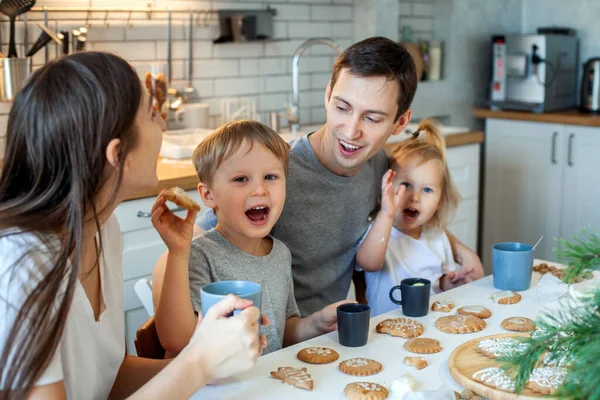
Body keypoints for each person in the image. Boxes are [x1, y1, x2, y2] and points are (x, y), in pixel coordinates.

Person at [153, 36, 484, 318]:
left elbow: (408, 208)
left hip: (334, 332)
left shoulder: (380, 167)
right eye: (342, 107)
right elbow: (191, 247)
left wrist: (460, 249)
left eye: (372, 118)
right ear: (328, 94)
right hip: (273, 340)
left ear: (400, 123)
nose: (351, 130)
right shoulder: (274, 174)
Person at [0, 52, 263, 400]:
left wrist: (214, 360)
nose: (163, 125)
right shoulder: (19, 265)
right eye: (152, 115)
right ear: (117, 153)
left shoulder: (103, 231)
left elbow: (110, 377)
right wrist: (197, 362)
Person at [153, 120, 349, 355]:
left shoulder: (280, 254)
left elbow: (281, 332)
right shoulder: (199, 255)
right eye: (241, 179)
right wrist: (178, 253)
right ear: (208, 194)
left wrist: (316, 323)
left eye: (270, 177)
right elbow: (177, 342)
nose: (259, 190)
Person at [356, 119, 474, 316]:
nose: (415, 197)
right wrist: (386, 213)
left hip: (431, 325)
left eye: (427, 189)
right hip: (386, 331)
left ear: (439, 202)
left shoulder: (437, 236)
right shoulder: (380, 231)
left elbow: (437, 281)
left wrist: (451, 283)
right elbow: (368, 263)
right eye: (406, 185)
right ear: (387, 187)